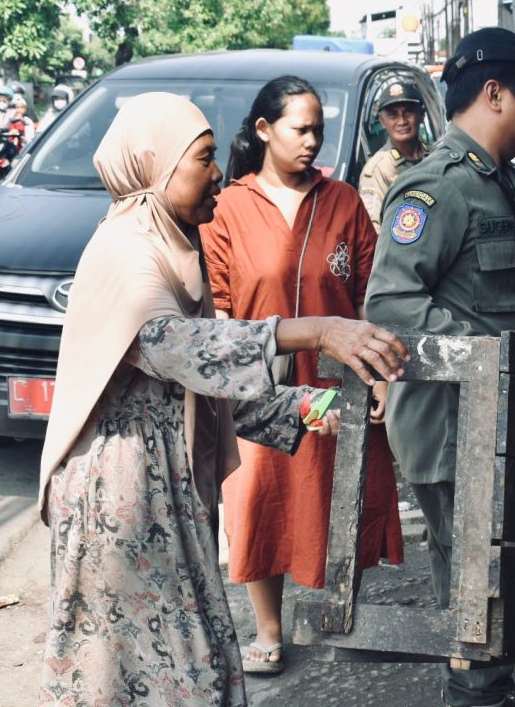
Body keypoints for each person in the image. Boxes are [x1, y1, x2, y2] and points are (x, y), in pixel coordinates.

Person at [37, 91, 409, 706]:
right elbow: (180, 349)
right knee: (135, 674)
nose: (217, 173)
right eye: (203, 159)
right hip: (121, 505)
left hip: (170, 491)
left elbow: (206, 389)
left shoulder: (171, 249)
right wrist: (316, 330)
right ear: (155, 168)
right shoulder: (125, 254)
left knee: (189, 665)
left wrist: (311, 408)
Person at [365, 27, 515, 707]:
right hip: (450, 430)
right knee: (475, 594)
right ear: (494, 93)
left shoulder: (495, 186)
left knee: (497, 586)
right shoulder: (436, 190)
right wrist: (506, 363)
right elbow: (392, 311)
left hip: (496, 419)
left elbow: (505, 307)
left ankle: (492, 691)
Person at [200, 76, 405, 676]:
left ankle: (344, 610)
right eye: (300, 128)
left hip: (337, 381)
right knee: (260, 501)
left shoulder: (342, 201)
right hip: (257, 389)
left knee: (347, 492)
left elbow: (370, 297)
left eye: (318, 128)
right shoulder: (230, 208)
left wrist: (382, 377)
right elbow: (216, 308)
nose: (313, 140)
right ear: (264, 130)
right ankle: (268, 629)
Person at [358, 80, 431, 232]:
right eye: (393, 115)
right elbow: (372, 229)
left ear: (421, 115)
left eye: (408, 112)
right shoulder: (378, 170)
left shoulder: (436, 157)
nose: (402, 121)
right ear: (382, 121)